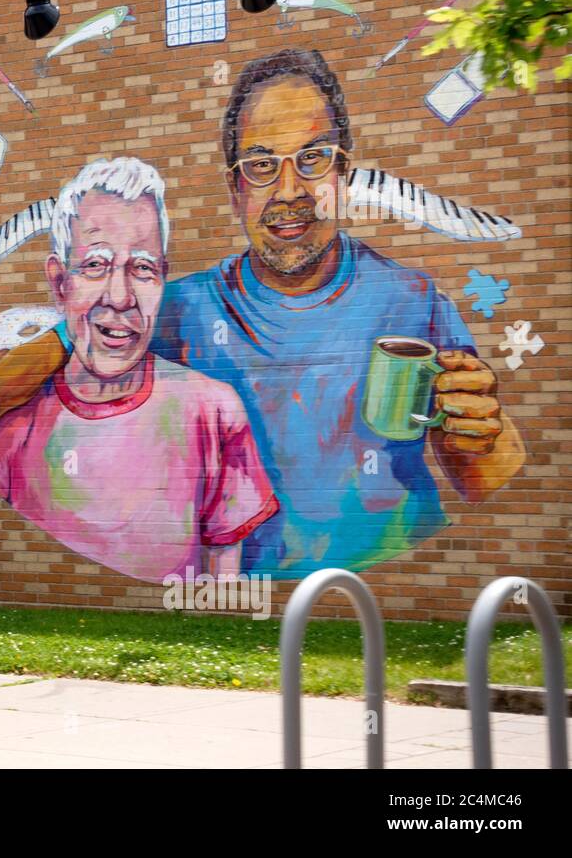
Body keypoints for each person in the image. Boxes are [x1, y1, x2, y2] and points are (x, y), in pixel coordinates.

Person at [149, 48, 525, 576]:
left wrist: (484, 431)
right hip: (234, 589)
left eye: (313, 158)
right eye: (260, 166)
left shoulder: (412, 299)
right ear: (235, 190)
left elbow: (485, 479)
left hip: (392, 578)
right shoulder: (175, 313)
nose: (288, 191)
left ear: (343, 173)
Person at [0, 158, 278, 582]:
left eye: (143, 268)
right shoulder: (16, 436)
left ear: (163, 279)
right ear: (59, 284)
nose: (121, 296)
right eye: (95, 265)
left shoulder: (212, 412)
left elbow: (223, 587)